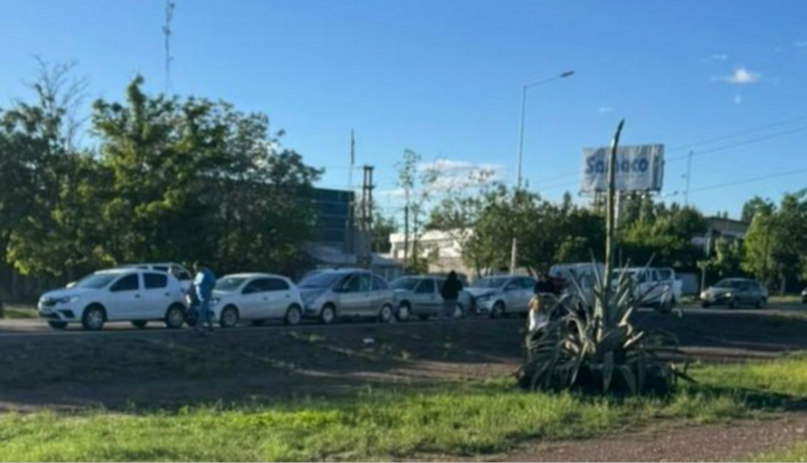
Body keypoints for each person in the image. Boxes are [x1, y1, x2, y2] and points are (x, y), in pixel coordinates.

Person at [192, 262, 217, 334]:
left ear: (201, 266)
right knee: (206, 311)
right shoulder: (199, 273)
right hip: (200, 296)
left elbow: (213, 283)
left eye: (197, 268)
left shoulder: (208, 273)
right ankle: (210, 326)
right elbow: (196, 282)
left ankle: (199, 326)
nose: (196, 270)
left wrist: (208, 290)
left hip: (205, 295)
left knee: (202, 311)